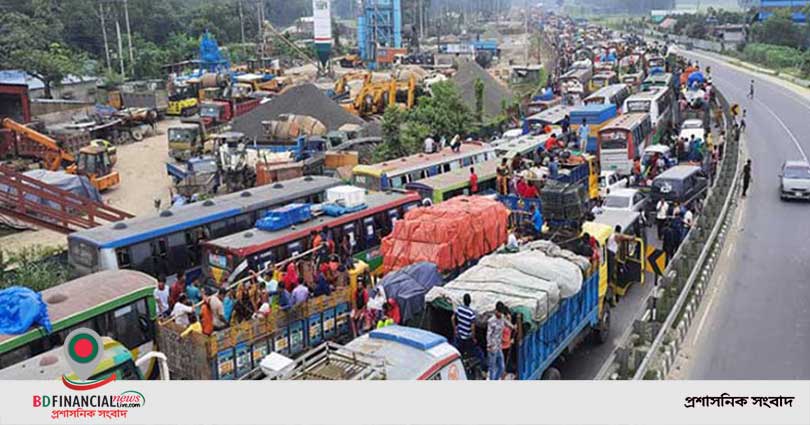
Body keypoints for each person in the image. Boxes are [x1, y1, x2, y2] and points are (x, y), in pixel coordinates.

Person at [487, 301, 514, 380]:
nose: (500, 314)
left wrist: (512, 327)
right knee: (492, 367)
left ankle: (495, 378)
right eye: (499, 312)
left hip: (499, 346)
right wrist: (489, 345)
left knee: (502, 367)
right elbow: (488, 335)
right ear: (496, 311)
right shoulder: (491, 321)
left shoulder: (502, 317)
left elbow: (506, 322)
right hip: (493, 347)